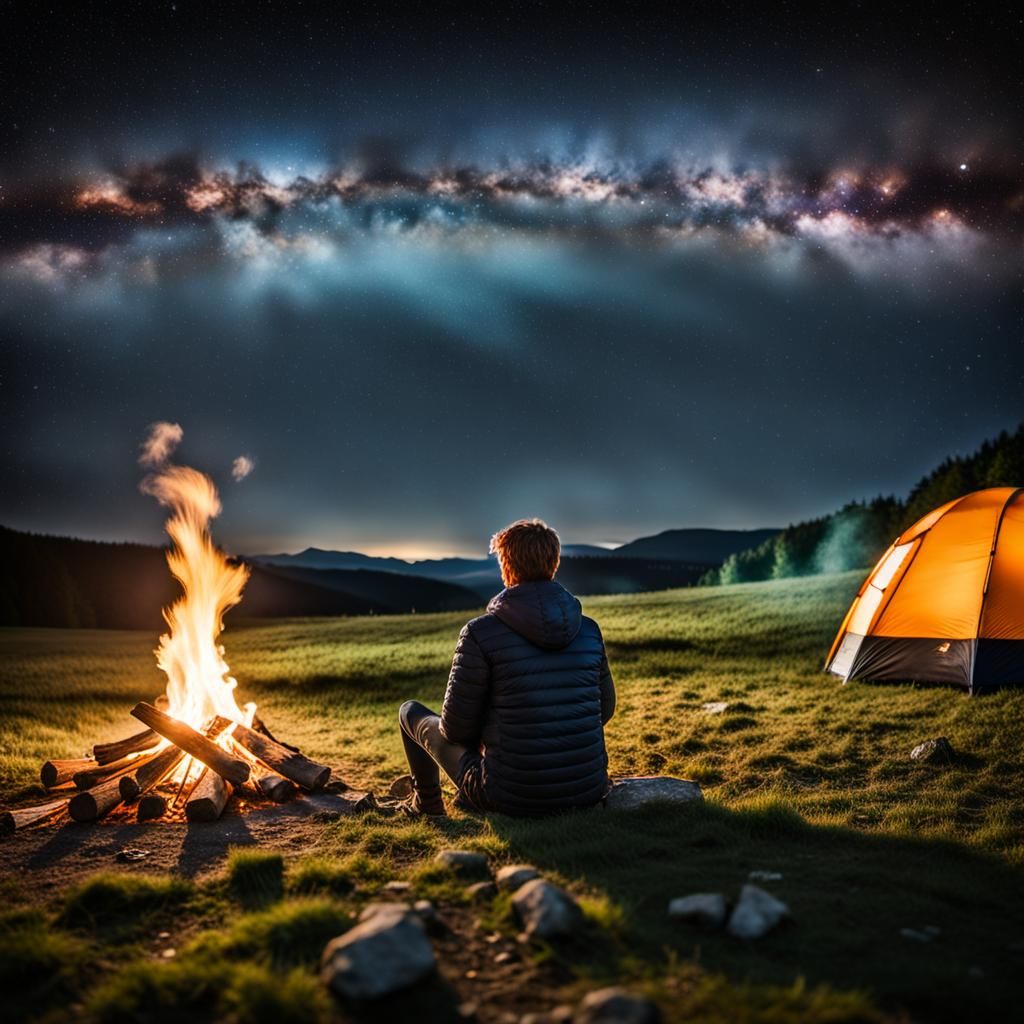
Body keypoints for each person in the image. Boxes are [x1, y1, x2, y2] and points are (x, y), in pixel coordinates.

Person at [394, 517, 616, 817]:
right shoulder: (589, 630)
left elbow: (455, 730)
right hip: (587, 788)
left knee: (410, 712)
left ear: (506, 566)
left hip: (508, 796)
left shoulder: (480, 633)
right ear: (554, 563)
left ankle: (428, 804)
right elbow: (605, 709)